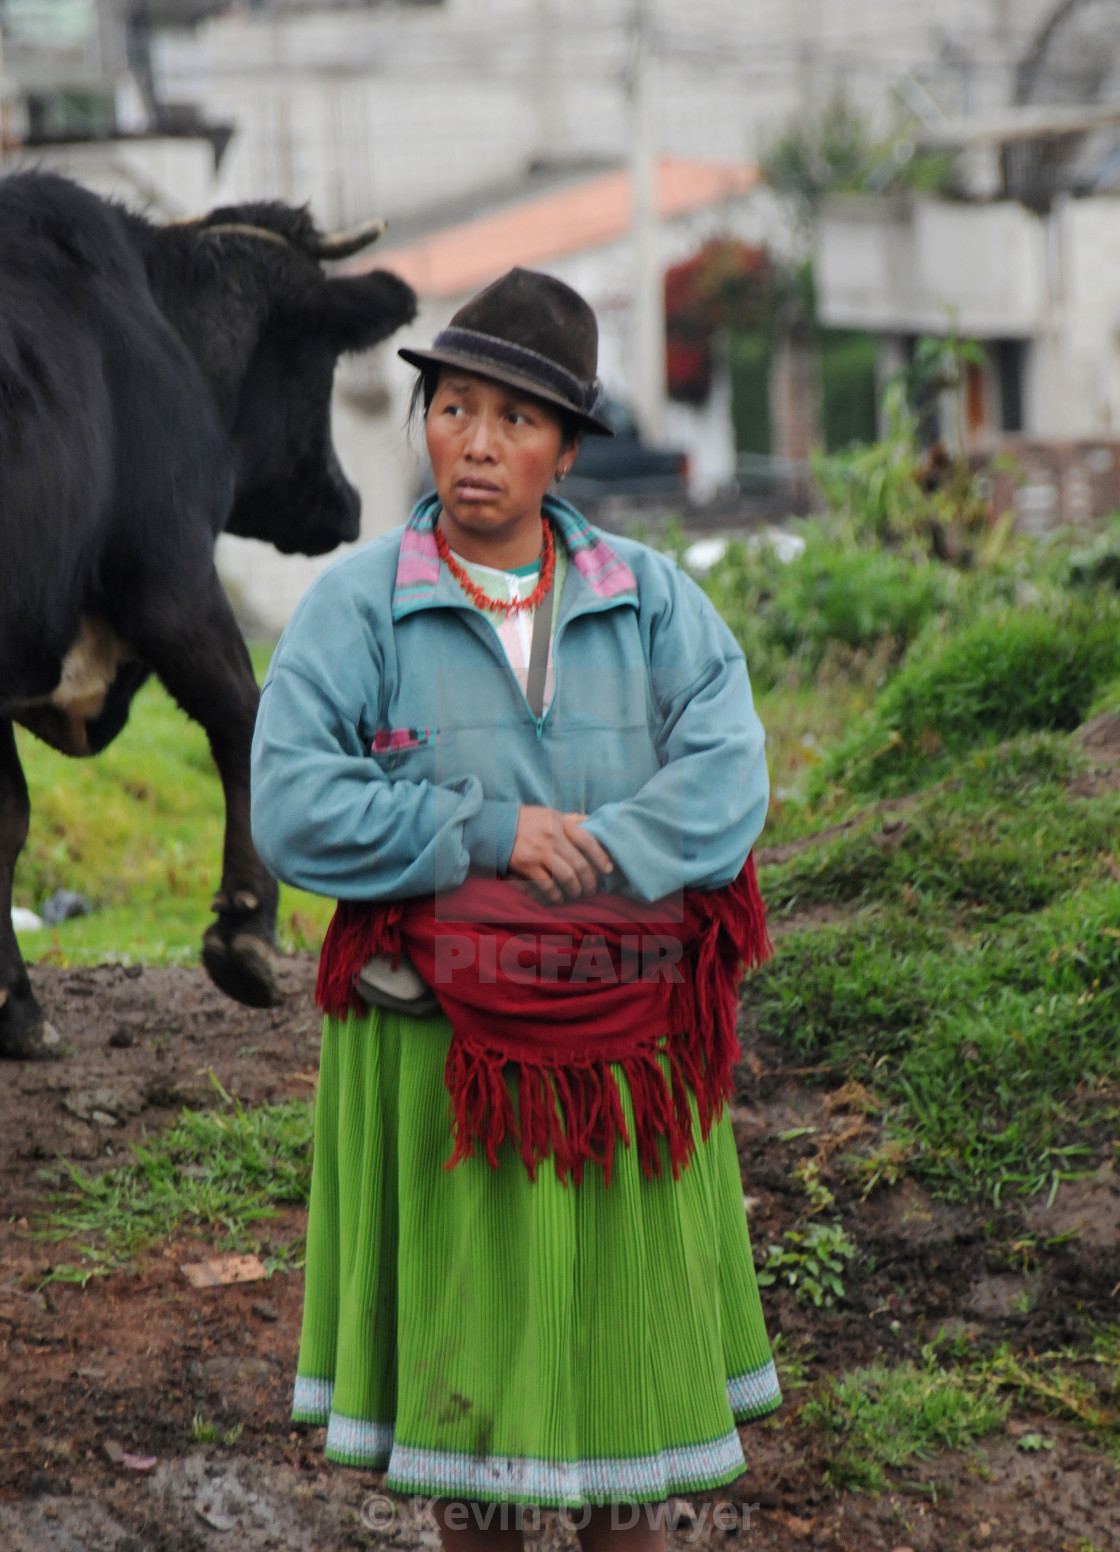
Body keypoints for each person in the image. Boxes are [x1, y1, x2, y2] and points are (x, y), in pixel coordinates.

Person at [250, 267, 780, 1551]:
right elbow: (290, 805)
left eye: (517, 419)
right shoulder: (357, 604)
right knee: (473, 1447)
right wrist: (483, 831)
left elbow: (728, 782)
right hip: (448, 1061)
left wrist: (598, 850)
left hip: (621, 1051)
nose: (476, 444)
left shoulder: (652, 602)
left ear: (565, 448)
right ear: (424, 416)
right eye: (454, 406)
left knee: (626, 1461)